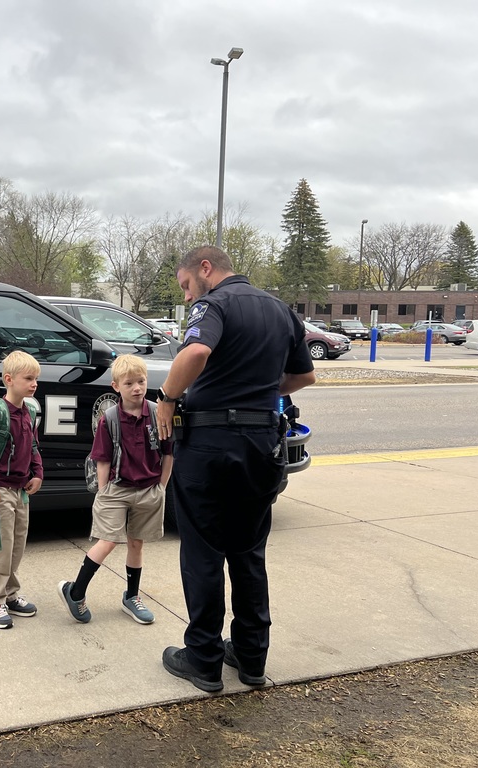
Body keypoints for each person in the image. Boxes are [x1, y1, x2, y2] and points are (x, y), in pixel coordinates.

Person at [154, 246, 316, 690]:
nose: (187, 297)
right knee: (248, 552)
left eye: (186, 284)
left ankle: (203, 659)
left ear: (205, 269)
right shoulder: (282, 311)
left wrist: (167, 399)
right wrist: (257, 386)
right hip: (263, 445)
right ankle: (250, 657)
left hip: (210, 446)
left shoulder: (214, 303)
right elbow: (304, 377)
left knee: (204, 552)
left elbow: (195, 353)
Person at [59, 354, 172, 625]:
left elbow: (168, 453)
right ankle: (76, 592)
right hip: (116, 490)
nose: (137, 388)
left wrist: (161, 487)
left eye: (141, 381)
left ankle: (131, 597)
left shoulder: (158, 413)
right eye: (129, 383)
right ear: (116, 386)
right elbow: (103, 458)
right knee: (108, 541)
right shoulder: (109, 419)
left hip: (149, 490)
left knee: (136, 542)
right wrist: (104, 490)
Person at [0, 350, 44, 630]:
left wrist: (38, 473)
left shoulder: (29, 411)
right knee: (2, 548)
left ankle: (10, 594)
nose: (34, 383)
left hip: (21, 491)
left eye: (36, 378)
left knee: (17, 546)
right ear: (9, 379)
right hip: (0, 491)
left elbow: (35, 446)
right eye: (28, 378)